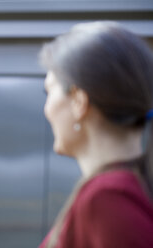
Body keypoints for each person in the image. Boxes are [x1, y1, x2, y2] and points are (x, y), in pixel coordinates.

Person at [39, 21, 153, 247]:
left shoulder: (107, 200)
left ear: (79, 101)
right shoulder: (127, 189)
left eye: (49, 91)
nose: (46, 108)